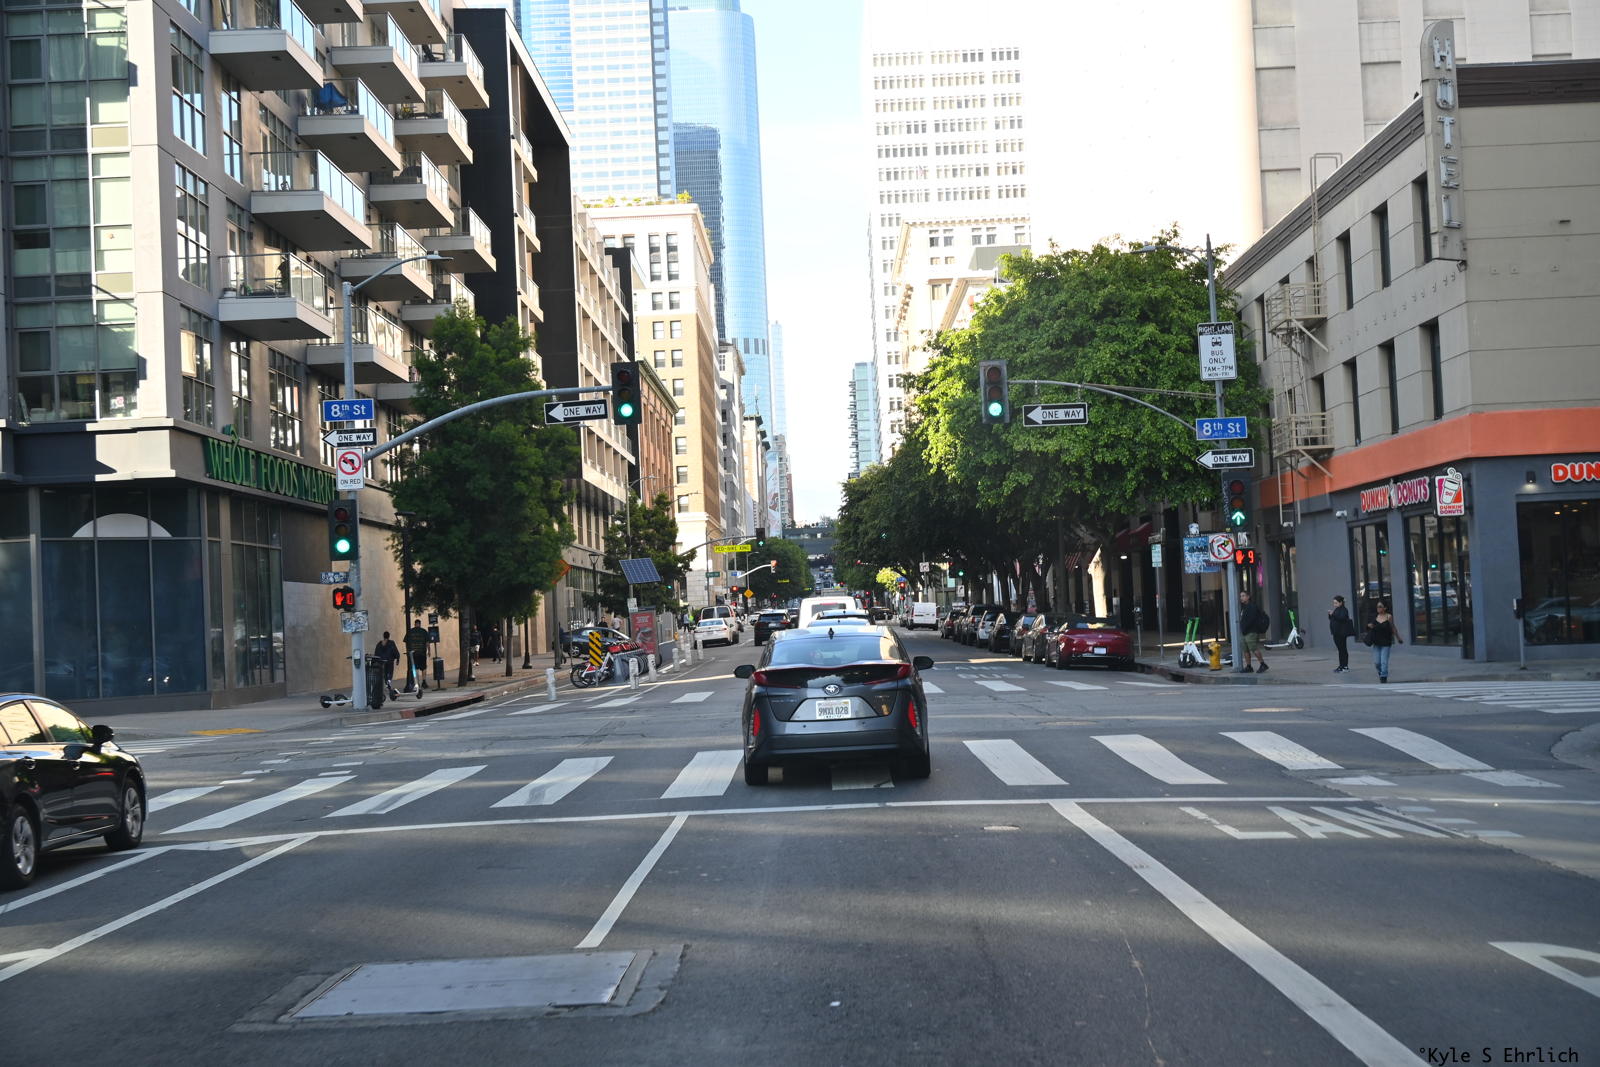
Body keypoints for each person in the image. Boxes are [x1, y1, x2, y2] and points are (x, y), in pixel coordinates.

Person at [1365, 600, 1402, 682]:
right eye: (1377, 606)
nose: (1378, 608)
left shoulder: (1389, 616)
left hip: (1386, 642)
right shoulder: (1375, 616)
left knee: (1384, 662)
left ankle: (1383, 677)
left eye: (1380, 606)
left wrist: (1398, 638)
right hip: (1376, 642)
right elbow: (1368, 626)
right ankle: (1381, 672)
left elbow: (1393, 627)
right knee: (1377, 662)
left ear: (1385, 608)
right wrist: (1369, 626)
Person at [1237, 589, 1269, 673]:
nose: (1241, 598)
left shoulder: (1252, 607)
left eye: (1243, 596)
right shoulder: (1244, 607)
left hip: (1251, 632)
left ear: (1248, 597)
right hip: (1244, 632)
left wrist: (1245, 627)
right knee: (1245, 650)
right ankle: (1249, 666)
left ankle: (1263, 664)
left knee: (1253, 648)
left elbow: (1251, 620)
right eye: (1240, 596)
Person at [1328, 595, 1355, 672]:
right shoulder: (1337, 609)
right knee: (1340, 650)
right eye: (1334, 603)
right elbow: (1333, 618)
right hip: (1336, 632)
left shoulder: (1344, 610)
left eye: (1336, 603)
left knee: (1342, 649)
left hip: (1341, 633)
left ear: (1341, 603)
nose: (1334, 604)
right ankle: (1341, 665)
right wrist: (1330, 615)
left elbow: (1342, 618)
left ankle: (1345, 666)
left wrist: (1333, 614)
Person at [403, 619, 430, 692]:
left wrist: (408, 651)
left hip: (413, 653)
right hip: (422, 653)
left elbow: (406, 642)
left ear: (415, 624)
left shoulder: (410, 631)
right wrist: (429, 651)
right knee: (424, 668)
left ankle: (417, 683)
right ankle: (424, 681)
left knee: (415, 668)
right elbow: (427, 642)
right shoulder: (424, 631)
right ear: (420, 624)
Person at [374, 631, 401, 699]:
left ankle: (387, 684)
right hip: (389, 661)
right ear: (389, 636)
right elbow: (395, 651)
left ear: (383, 636)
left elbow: (376, 653)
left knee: (384, 674)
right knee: (390, 673)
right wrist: (397, 659)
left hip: (382, 662)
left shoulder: (379, 644)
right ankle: (388, 683)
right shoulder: (391, 643)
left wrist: (376, 661)